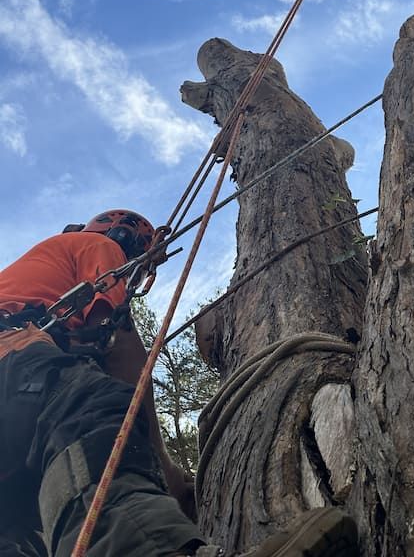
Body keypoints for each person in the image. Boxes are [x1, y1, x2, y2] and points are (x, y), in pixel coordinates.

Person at [0, 211, 358, 557]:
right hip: (13, 350)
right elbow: (121, 350)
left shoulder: (40, 269)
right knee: (83, 410)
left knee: (15, 524)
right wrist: (164, 470)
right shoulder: (99, 246)